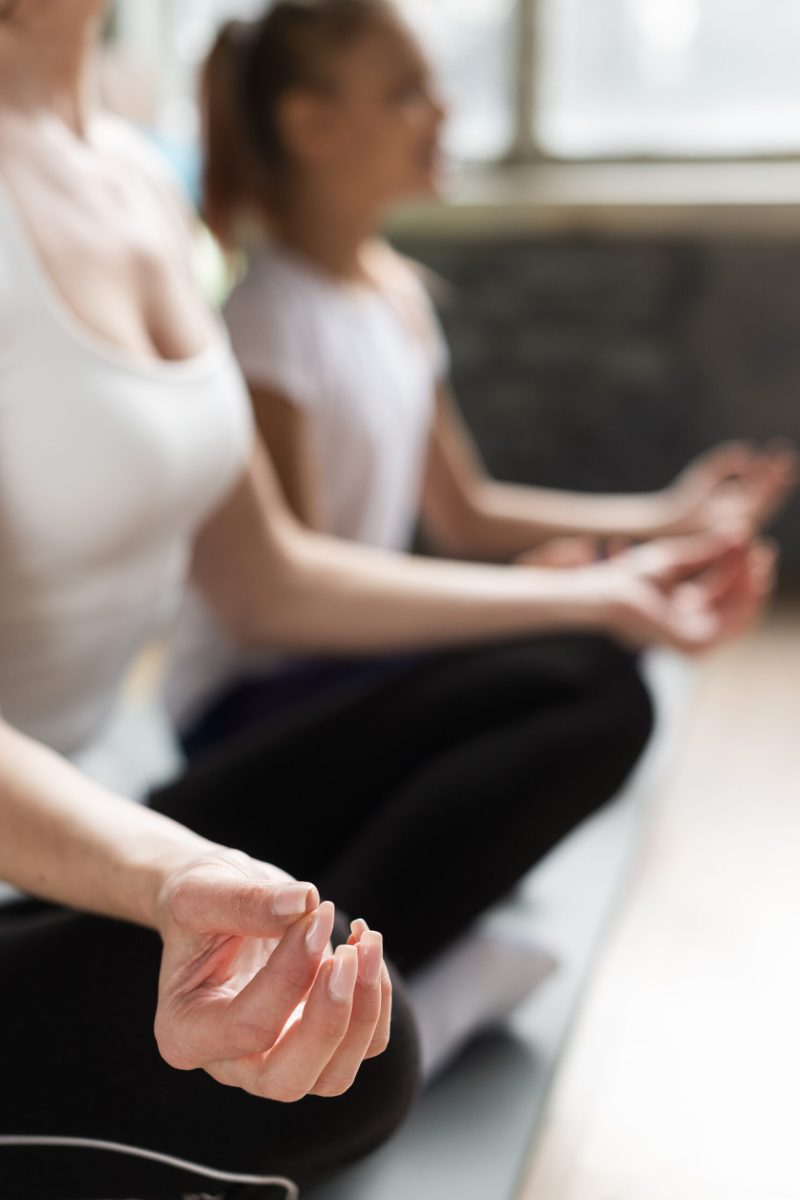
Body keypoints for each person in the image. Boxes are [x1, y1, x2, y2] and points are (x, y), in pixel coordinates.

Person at [0, 2, 773, 1195]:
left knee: (586, 677)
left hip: (108, 815)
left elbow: (270, 576)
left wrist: (609, 588)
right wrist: (166, 881)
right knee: (364, 1063)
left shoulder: (139, 182)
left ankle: (355, 967)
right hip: (79, 856)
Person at [166, 0, 796, 760]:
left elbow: (463, 514)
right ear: (310, 127)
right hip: (258, 708)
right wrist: (547, 597)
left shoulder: (396, 297)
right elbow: (297, 602)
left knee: (596, 663)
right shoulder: (268, 321)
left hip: (346, 672)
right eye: (406, 92)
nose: (443, 109)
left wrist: (667, 517)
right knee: (586, 670)